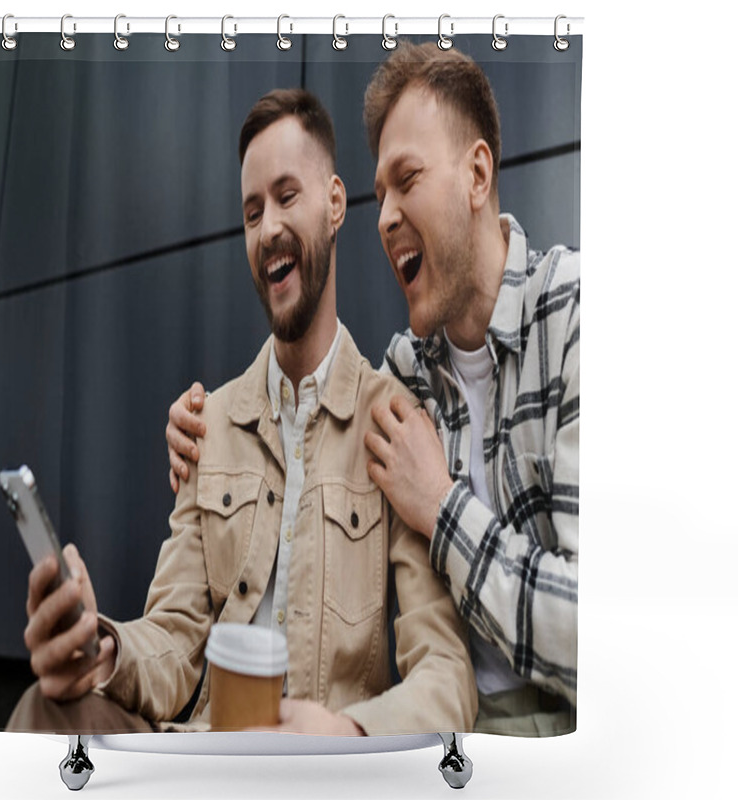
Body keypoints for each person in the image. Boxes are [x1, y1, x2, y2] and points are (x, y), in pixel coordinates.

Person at [6, 88, 475, 737]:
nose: (268, 228)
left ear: (336, 203)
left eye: (287, 197)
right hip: (202, 752)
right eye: (252, 212)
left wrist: (346, 735)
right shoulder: (211, 423)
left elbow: (445, 674)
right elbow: (173, 637)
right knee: (44, 708)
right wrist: (104, 649)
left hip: (320, 769)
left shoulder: (394, 424)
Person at [167, 43, 579, 736]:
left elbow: (608, 638)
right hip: (450, 750)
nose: (384, 214)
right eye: (379, 191)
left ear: (477, 174)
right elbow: (306, 400)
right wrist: (198, 431)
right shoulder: (402, 378)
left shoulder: (572, 316)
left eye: (406, 179)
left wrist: (441, 506)